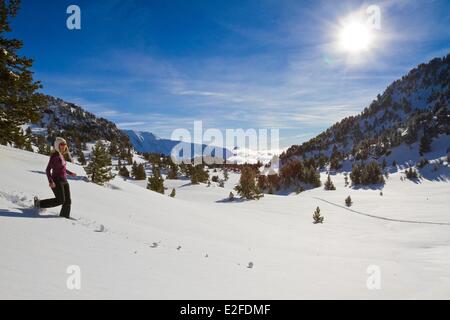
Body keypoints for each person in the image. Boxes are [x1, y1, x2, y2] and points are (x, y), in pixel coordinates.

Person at [34, 137, 76, 219]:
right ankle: (39, 204)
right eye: (62, 144)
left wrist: (70, 173)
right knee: (60, 200)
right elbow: (47, 170)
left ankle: (64, 217)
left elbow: (62, 168)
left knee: (68, 201)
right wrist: (51, 181)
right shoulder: (55, 156)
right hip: (57, 180)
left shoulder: (61, 155)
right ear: (57, 145)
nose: (64, 146)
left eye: (65, 144)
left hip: (64, 180)